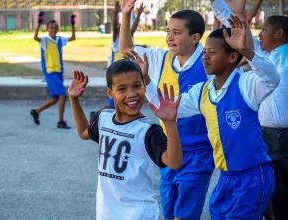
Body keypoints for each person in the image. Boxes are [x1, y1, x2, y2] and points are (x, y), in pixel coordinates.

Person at [174, 16, 278, 219]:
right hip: (225, 178)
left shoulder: (245, 85)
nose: (205, 57)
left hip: (253, 177)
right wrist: (147, 86)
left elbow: (272, 77)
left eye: (212, 53)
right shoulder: (202, 91)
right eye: (204, 52)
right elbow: (172, 108)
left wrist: (247, 52)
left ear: (232, 58)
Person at [119, 1, 214, 219]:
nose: (169, 37)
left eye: (177, 33)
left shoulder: (208, 62)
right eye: (168, 31)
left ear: (195, 38)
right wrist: (126, 15)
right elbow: (126, 50)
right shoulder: (160, 58)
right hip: (168, 150)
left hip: (198, 152)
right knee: (169, 212)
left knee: (184, 215)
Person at [68, 60, 183, 219]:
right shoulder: (104, 118)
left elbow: (175, 162)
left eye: (137, 86)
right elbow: (83, 132)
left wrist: (170, 124)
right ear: (110, 93)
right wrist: (73, 99)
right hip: (107, 212)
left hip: (138, 214)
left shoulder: (148, 130)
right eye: (122, 89)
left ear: (144, 85)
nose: (132, 94)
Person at [210, 0, 288, 219]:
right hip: (267, 136)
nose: (260, 35)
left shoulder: (271, 58)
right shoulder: (264, 56)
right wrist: (216, 3)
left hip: (283, 138)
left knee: (279, 196)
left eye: (265, 30)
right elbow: (234, 26)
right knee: (273, 194)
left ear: (279, 33)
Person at [30, 12, 76, 129]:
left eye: (56, 28)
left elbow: (73, 38)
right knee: (63, 95)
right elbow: (35, 37)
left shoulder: (60, 40)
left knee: (55, 98)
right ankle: (60, 122)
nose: (54, 30)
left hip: (59, 71)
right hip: (50, 72)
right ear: (47, 29)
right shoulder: (45, 40)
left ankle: (36, 111)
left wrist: (72, 24)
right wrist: (39, 23)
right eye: (51, 28)